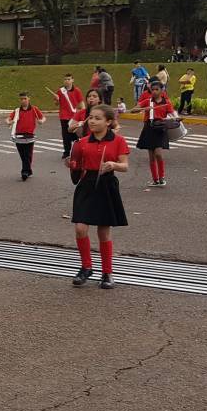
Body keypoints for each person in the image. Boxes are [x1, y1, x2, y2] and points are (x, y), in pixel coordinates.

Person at [69, 103, 130, 290]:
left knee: (103, 231)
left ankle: (107, 272)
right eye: (91, 118)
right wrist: (71, 164)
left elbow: (125, 165)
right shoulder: (82, 142)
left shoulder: (118, 140)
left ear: (108, 122)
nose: (92, 121)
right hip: (87, 184)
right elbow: (76, 166)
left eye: (97, 118)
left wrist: (113, 165)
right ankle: (86, 267)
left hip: (106, 184)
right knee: (80, 228)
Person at [129, 79, 176, 187]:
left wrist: (175, 119)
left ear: (162, 90)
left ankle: (162, 177)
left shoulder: (166, 103)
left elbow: (172, 114)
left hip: (160, 129)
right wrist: (144, 108)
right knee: (151, 156)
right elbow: (133, 110)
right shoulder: (148, 101)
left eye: (157, 89)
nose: (154, 91)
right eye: (152, 90)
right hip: (149, 128)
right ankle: (155, 180)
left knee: (158, 153)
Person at [7, 91, 46, 181]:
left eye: (25, 98)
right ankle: (28, 170)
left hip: (29, 135)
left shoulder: (34, 109)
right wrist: (9, 122)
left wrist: (41, 121)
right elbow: (8, 119)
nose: (23, 100)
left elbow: (43, 117)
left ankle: (24, 171)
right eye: (21, 99)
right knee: (22, 154)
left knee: (28, 154)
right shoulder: (17, 110)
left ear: (29, 98)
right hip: (18, 135)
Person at [51, 74, 84, 159]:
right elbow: (56, 104)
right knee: (65, 135)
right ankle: (66, 152)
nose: (67, 81)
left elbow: (81, 103)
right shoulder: (60, 91)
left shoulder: (77, 90)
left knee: (76, 134)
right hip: (64, 116)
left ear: (72, 80)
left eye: (69, 79)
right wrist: (57, 99)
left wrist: (83, 114)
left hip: (74, 116)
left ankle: (79, 150)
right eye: (65, 79)